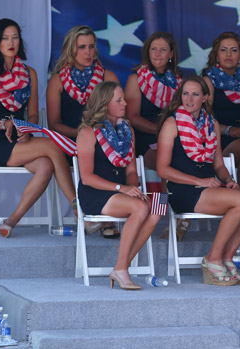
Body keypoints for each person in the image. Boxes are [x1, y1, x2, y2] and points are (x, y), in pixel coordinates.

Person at [157, 75, 240, 286]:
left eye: (195, 94)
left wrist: (228, 179)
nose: (189, 99)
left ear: (205, 97)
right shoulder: (172, 123)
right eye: (185, 94)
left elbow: (218, 165)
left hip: (208, 186)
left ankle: (227, 256)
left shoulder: (211, 123)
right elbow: (163, 169)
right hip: (182, 189)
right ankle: (213, 258)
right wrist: (200, 180)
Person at [0, 18, 76, 238]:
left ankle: (10, 221)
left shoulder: (29, 73)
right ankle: (79, 209)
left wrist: (27, 128)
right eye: (5, 38)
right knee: (52, 146)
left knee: (46, 166)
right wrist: (4, 124)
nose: (11, 42)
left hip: (21, 138)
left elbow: (31, 114)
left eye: (15, 37)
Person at [76, 81, 160, 290]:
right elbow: (86, 178)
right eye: (119, 100)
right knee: (140, 207)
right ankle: (122, 270)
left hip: (120, 193)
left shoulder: (126, 129)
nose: (125, 103)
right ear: (105, 104)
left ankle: (121, 265)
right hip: (95, 193)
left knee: (159, 205)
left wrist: (134, 188)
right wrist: (122, 189)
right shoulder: (88, 132)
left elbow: (131, 171)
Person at [47, 25, 120, 238]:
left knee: (108, 152)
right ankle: (80, 208)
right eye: (81, 47)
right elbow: (53, 124)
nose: (88, 52)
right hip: (70, 140)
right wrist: (81, 137)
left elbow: (119, 117)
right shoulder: (57, 80)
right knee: (70, 152)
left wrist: (98, 138)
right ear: (71, 49)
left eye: (91, 47)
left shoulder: (108, 76)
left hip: (103, 140)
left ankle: (107, 217)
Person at [202, 32, 240, 187]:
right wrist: (227, 130)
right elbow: (202, 121)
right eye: (223, 50)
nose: (228, 54)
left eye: (233, 50)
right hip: (222, 138)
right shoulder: (208, 81)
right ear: (216, 55)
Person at [125, 31, 182, 170]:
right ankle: (165, 193)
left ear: (171, 54)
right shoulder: (136, 79)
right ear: (148, 52)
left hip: (174, 138)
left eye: (163, 50)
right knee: (168, 158)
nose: (157, 54)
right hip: (147, 138)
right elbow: (131, 117)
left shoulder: (181, 82)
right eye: (153, 49)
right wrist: (160, 131)